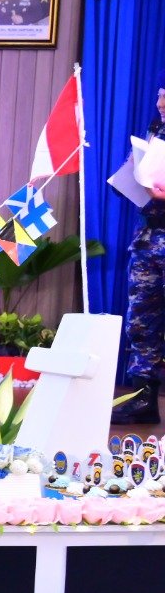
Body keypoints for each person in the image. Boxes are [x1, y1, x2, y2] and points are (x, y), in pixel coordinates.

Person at [118, 71, 165, 424]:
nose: (160, 103)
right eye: (160, 95)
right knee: (142, 322)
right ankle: (143, 399)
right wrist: (131, 173)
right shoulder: (155, 133)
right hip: (150, 240)